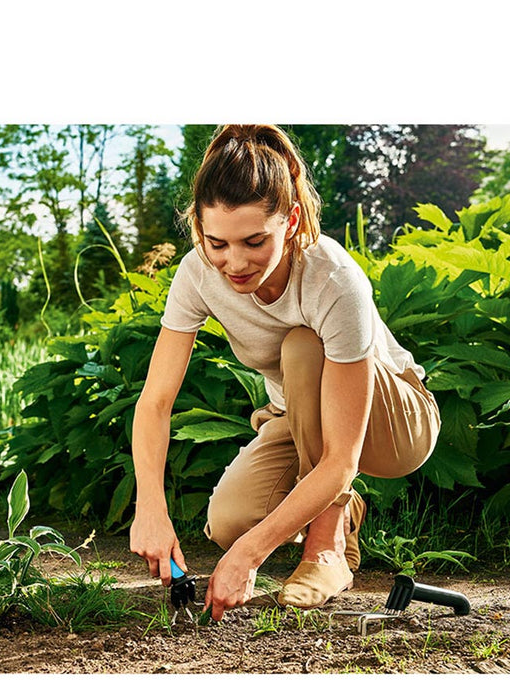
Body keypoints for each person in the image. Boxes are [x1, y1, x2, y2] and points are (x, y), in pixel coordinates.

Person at [129, 124, 441, 621]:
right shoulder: (197, 274)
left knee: (300, 345)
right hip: (298, 412)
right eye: (217, 243)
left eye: (254, 241)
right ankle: (340, 515)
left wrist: (251, 558)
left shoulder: (332, 279)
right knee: (230, 523)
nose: (234, 262)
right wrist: (150, 506)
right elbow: (155, 402)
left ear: (291, 220)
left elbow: (341, 458)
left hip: (396, 420)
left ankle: (326, 546)